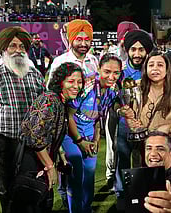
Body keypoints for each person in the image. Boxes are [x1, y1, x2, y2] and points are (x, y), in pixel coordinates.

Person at [0, 26, 45, 213]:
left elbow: (44, 109)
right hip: (5, 142)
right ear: (3, 49)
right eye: (13, 45)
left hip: (33, 144)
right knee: (7, 186)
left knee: (33, 185)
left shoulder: (35, 76)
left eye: (22, 46)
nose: (18, 50)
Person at [13, 62, 85, 213]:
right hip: (32, 165)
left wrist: (60, 156)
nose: (76, 86)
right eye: (70, 81)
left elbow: (50, 134)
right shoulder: (50, 100)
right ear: (60, 82)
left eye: (79, 82)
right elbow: (35, 136)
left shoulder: (61, 101)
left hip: (41, 162)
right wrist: (50, 167)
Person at [47, 19, 99, 208]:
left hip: (89, 126)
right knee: (74, 173)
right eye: (79, 39)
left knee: (89, 175)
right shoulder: (61, 62)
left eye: (87, 39)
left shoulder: (94, 61)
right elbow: (52, 96)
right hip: (68, 128)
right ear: (70, 39)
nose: (83, 43)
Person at [62, 53, 122, 213]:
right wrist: (80, 141)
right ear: (99, 69)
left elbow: (99, 117)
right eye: (107, 71)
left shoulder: (113, 90)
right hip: (72, 135)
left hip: (89, 135)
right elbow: (68, 116)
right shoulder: (86, 85)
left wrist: (95, 140)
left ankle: (86, 208)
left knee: (89, 177)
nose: (111, 76)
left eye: (116, 73)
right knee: (76, 174)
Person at [124, 50, 171, 168]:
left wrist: (169, 128)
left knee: (167, 184)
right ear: (146, 68)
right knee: (143, 184)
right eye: (151, 65)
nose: (155, 68)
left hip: (168, 147)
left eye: (160, 65)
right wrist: (133, 124)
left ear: (166, 68)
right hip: (143, 148)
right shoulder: (137, 87)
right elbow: (133, 116)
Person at [114, 29, 154, 210]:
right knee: (122, 165)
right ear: (127, 50)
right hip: (124, 128)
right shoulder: (119, 73)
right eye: (133, 49)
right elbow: (113, 102)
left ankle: (142, 200)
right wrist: (124, 114)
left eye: (141, 49)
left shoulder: (153, 71)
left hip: (147, 128)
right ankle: (122, 199)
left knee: (144, 165)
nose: (137, 54)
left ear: (147, 51)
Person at [104, 21, 139, 191]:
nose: (135, 51)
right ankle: (116, 185)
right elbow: (110, 91)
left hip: (144, 123)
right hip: (120, 117)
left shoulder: (151, 65)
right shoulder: (118, 64)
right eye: (129, 46)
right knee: (117, 152)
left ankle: (138, 193)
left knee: (142, 161)